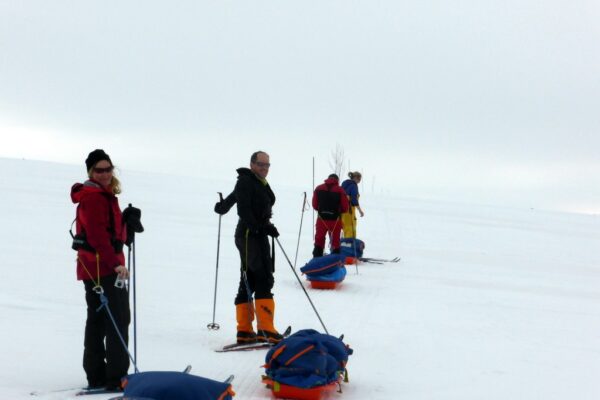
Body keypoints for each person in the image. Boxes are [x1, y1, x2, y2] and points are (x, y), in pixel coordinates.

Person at [70, 149, 130, 391]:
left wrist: (127, 224)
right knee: (117, 320)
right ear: (90, 172)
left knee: (98, 321)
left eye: (108, 169)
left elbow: (111, 233)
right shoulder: (94, 197)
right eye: (99, 170)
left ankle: (97, 376)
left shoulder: (102, 195)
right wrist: (115, 263)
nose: (105, 174)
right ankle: (115, 378)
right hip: (102, 268)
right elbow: (96, 236)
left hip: (94, 267)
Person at [215, 151, 282, 344]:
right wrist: (261, 227)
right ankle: (265, 330)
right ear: (252, 163)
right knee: (263, 277)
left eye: (268, 165)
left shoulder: (255, 181)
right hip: (248, 235)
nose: (265, 168)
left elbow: (232, 201)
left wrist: (222, 207)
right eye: (261, 164)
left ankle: (245, 331)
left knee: (250, 278)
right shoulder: (246, 181)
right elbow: (243, 209)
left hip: (254, 234)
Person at [311, 174, 349, 257]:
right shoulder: (340, 190)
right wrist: (339, 211)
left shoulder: (318, 188)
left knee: (319, 239)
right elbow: (345, 208)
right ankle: (335, 260)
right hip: (335, 220)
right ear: (337, 180)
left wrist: (321, 210)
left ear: (328, 178)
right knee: (335, 241)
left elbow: (314, 205)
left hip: (321, 219)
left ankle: (317, 258)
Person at [341, 171, 364, 238]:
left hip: (342, 210)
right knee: (351, 229)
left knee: (345, 228)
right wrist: (360, 211)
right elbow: (354, 200)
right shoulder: (354, 186)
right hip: (349, 211)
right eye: (359, 179)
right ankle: (350, 244)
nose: (359, 181)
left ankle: (343, 244)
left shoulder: (344, 183)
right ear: (356, 178)